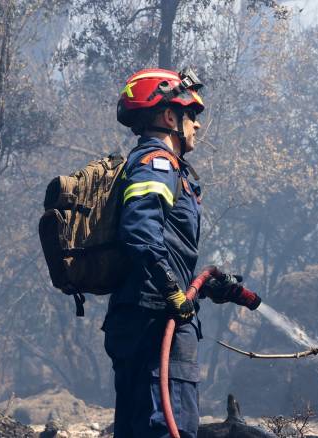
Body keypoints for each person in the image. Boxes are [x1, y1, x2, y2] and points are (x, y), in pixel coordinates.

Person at [102, 67, 208, 438]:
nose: (195, 125)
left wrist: (210, 284)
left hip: (141, 317)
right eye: (191, 114)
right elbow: (140, 231)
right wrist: (172, 289)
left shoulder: (151, 166)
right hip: (156, 322)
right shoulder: (158, 163)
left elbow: (164, 245)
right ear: (168, 117)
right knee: (167, 427)